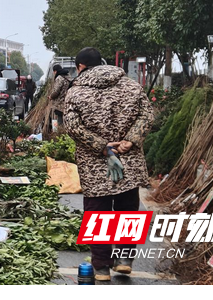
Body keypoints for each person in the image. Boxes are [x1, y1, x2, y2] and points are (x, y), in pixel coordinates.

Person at [63, 47, 154, 282]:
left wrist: (103, 146)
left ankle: (101, 267)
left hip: (95, 164)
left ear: (81, 66)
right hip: (128, 161)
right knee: (127, 209)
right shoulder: (131, 86)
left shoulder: (76, 92)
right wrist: (129, 141)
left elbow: (73, 127)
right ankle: (124, 260)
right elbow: (147, 116)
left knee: (98, 213)